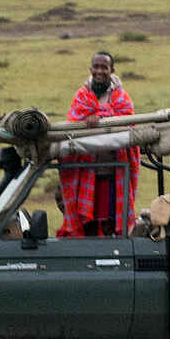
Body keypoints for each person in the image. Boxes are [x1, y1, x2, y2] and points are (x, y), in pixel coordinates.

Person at [56, 51, 139, 237]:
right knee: (88, 223)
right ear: (90, 69)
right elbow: (74, 120)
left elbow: (128, 121)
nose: (99, 71)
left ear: (112, 70)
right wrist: (91, 118)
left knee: (111, 221)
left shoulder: (121, 96)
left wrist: (99, 116)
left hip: (113, 173)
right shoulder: (82, 96)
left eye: (104, 67)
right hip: (85, 171)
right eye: (96, 67)